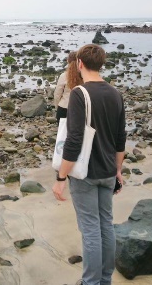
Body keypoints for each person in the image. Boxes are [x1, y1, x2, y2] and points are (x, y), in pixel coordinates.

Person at [52, 44, 126, 285]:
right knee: (106, 225)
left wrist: (61, 177)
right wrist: (118, 171)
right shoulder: (115, 93)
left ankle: (91, 282)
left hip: (85, 174)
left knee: (91, 230)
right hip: (107, 172)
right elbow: (120, 138)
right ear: (101, 64)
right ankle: (105, 280)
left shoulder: (79, 94)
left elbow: (74, 141)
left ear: (80, 64)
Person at [53, 51, 82, 124]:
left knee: (63, 134)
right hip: (79, 109)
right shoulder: (83, 76)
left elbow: (57, 94)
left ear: (68, 61)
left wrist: (57, 106)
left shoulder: (64, 76)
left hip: (63, 108)